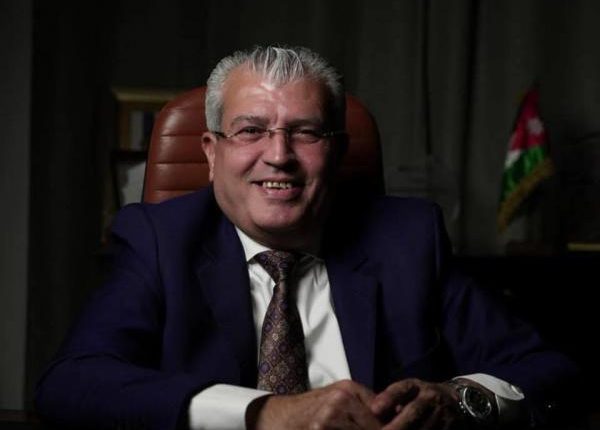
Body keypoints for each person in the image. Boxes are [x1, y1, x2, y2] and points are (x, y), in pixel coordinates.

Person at [36, 45, 579, 430]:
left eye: (306, 132)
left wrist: (457, 400)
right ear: (211, 152)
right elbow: (71, 384)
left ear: (336, 152)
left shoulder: (409, 239)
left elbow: (550, 372)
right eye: (251, 130)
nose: (279, 155)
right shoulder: (159, 240)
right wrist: (264, 412)